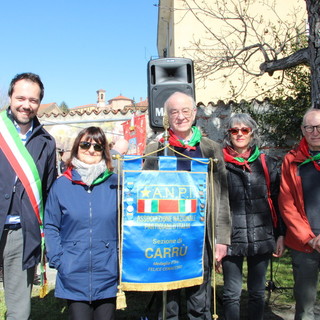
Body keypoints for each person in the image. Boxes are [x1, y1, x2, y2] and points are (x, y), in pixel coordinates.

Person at [143, 91, 231, 319]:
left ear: (194, 113)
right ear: (167, 117)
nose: (180, 116)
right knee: (168, 305)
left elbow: (221, 195)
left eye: (185, 111)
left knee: (199, 304)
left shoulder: (211, 149)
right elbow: (144, 190)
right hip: (166, 239)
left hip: (200, 239)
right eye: (174, 112)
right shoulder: (156, 149)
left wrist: (221, 239)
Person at [44, 126, 119, 320]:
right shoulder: (61, 185)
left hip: (107, 270)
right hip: (73, 270)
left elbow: (125, 224)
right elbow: (51, 225)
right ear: (77, 147)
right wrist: (59, 260)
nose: (91, 150)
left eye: (98, 146)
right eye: (86, 144)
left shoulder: (116, 184)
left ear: (104, 151)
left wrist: (118, 258)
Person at [0, 72, 57, 319]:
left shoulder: (46, 142)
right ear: (10, 97)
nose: (26, 105)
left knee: (19, 311)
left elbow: (49, 189)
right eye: (20, 97)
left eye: (33, 100)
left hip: (22, 234)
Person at [221, 113, 285, 320]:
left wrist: (280, 235)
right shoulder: (219, 164)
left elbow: (277, 200)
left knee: (257, 293)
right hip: (231, 238)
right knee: (231, 294)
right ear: (228, 134)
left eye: (244, 130)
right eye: (234, 130)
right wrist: (216, 241)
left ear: (252, 133)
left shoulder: (266, 163)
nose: (239, 134)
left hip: (262, 236)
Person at [279, 107, 320, 320]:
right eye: (310, 127)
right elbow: (287, 203)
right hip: (304, 245)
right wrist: (309, 239)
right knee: (305, 307)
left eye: (319, 127)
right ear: (303, 130)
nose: (315, 132)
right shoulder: (292, 160)